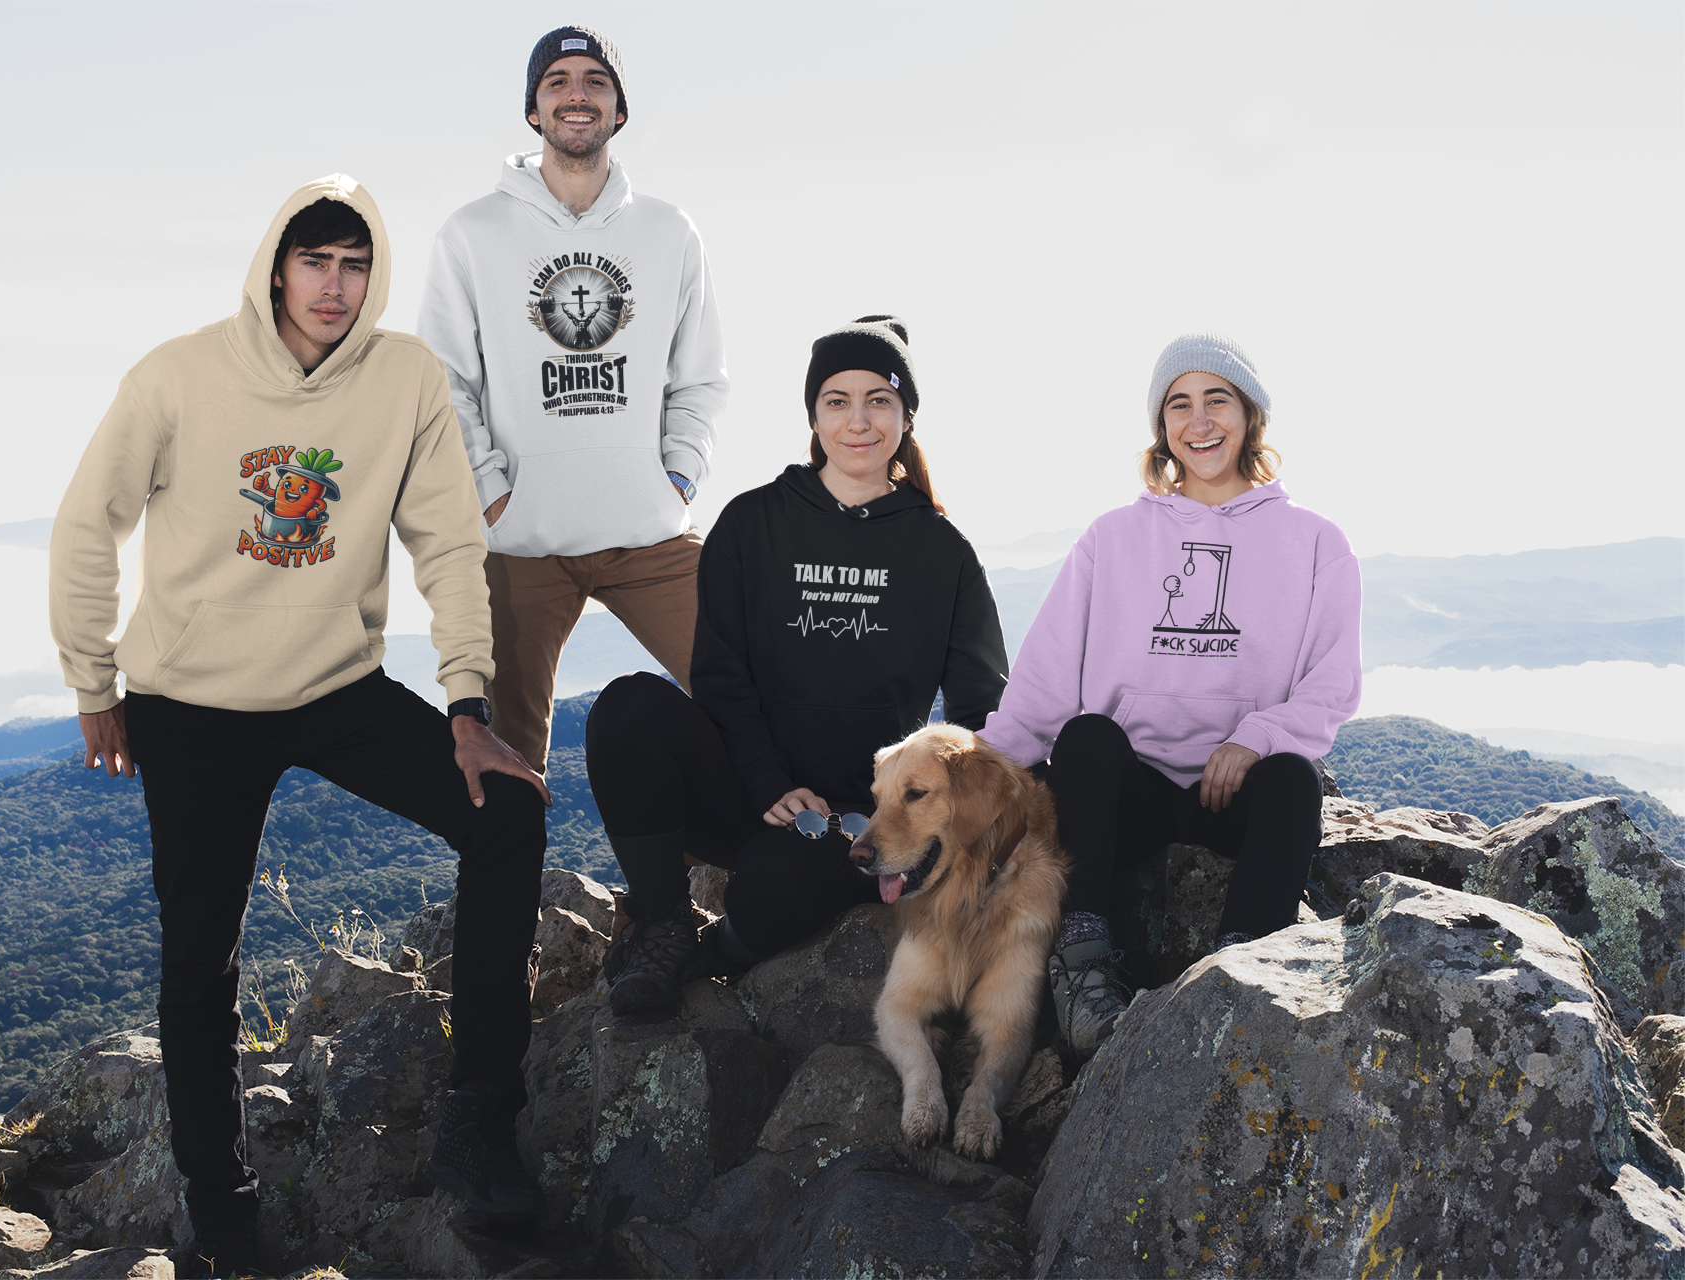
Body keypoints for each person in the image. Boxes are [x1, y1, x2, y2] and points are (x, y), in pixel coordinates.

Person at [49, 176, 555, 1270]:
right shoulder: (179, 374)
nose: (335, 285)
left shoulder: (405, 377)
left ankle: (478, 1119)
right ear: (275, 268)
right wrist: (93, 680)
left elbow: (449, 543)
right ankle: (223, 1212)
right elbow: (90, 520)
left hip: (336, 684)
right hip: (192, 701)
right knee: (201, 960)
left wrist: (467, 704)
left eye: (355, 264)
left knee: (506, 812)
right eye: (315, 261)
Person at [583, 317, 1008, 1014]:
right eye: (837, 401)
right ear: (813, 415)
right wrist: (770, 784)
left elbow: (978, 708)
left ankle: (715, 956)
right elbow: (720, 677)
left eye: (878, 400)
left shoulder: (943, 553)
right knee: (627, 707)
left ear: (906, 416)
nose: (858, 421)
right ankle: (661, 924)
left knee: (784, 881)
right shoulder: (751, 524)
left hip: (855, 818)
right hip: (746, 786)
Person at [978, 333, 1362, 1063]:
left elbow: (1332, 684)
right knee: (1085, 740)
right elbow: (1044, 684)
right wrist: (967, 779)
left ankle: (1238, 983)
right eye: (1179, 404)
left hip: (1238, 792)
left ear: (1249, 414)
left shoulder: (1316, 541)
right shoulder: (1113, 537)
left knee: (1293, 780)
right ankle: (1081, 969)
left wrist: (1258, 736)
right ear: (1162, 426)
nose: (1200, 421)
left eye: (1218, 399)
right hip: (1132, 799)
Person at [417, 24, 729, 775]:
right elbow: (442, 380)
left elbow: (700, 374)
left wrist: (678, 477)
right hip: (521, 541)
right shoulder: (472, 233)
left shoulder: (668, 231)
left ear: (619, 109)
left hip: (650, 534)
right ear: (534, 109)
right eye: (557, 82)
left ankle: (757, 842)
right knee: (508, 757)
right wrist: (492, 493)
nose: (577, 94)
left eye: (596, 80)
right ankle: (509, 861)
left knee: (749, 696)